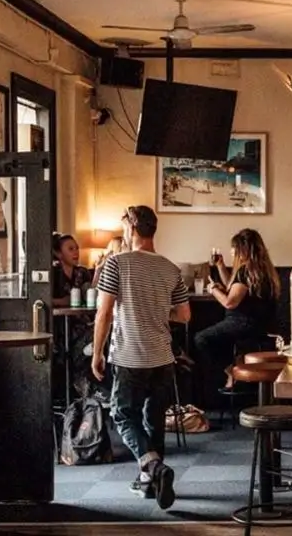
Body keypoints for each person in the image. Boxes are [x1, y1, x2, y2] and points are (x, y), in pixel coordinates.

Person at [92, 206, 190, 509]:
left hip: (129, 355)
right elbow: (185, 315)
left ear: (132, 229)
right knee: (154, 418)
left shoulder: (116, 263)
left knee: (122, 414)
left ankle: (155, 467)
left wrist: (97, 352)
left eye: (124, 229)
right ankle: (150, 483)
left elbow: (105, 312)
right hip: (162, 356)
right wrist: (157, 309)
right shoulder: (171, 268)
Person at [193, 229, 279, 382]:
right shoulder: (261, 271)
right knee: (219, 339)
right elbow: (233, 289)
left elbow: (230, 302)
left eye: (234, 248)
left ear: (242, 249)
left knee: (201, 339)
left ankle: (229, 373)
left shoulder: (246, 271)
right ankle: (231, 370)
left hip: (241, 323)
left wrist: (212, 289)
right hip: (259, 325)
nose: (231, 251)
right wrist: (220, 266)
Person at [52, 233, 92, 307]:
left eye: (77, 248)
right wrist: (61, 301)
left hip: (81, 316)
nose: (76, 252)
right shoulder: (53, 273)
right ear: (59, 253)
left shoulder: (83, 272)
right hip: (58, 316)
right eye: (71, 249)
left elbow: (89, 297)